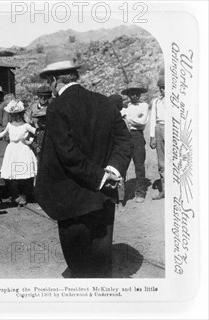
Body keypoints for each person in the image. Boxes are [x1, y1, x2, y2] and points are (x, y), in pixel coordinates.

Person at [35, 49, 132, 278]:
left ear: (54, 80)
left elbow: (69, 155)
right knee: (101, 263)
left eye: (49, 82)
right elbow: (124, 141)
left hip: (72, 201)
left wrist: (99, 177)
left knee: (80, 268)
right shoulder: (105, 103)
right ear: (74, 76)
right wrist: (112, 171)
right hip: (104, 198)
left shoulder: (57, 107)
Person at [0, 100, 37, 206]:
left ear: (20, 115)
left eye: (16, 115)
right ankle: (17, 195)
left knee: (24, 175)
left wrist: (29, 141)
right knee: (12, 175)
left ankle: (24, 196)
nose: (14, 117)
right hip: (12, 151)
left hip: (23, 150)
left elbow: (36, 132)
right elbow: (3, 133)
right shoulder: (10, 125)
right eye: (12, 115)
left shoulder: (26, 125)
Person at [120, 81, 150, 203]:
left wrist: (127, 118)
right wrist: (132, 119)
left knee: (139, 165)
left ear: (140, 94)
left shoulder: (144, 105)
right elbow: (123, 121)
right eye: (132, 94)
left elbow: (142, 122)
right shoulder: (125, 108)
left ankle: (140, 192)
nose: (135, 96)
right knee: (122, 165)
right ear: (128, 95)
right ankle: (121, 195)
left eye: (137, 93)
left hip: (137, 136)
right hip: (126, 137)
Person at [149, 78, 166, 200]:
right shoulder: (156, 101)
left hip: (172, 128)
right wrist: (152, 137)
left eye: (165, 87)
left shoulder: (177, 100)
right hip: (159, 129)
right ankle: (164, 190)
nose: (163, 90)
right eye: (161, 88)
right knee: (162, 161)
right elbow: (153, 120)